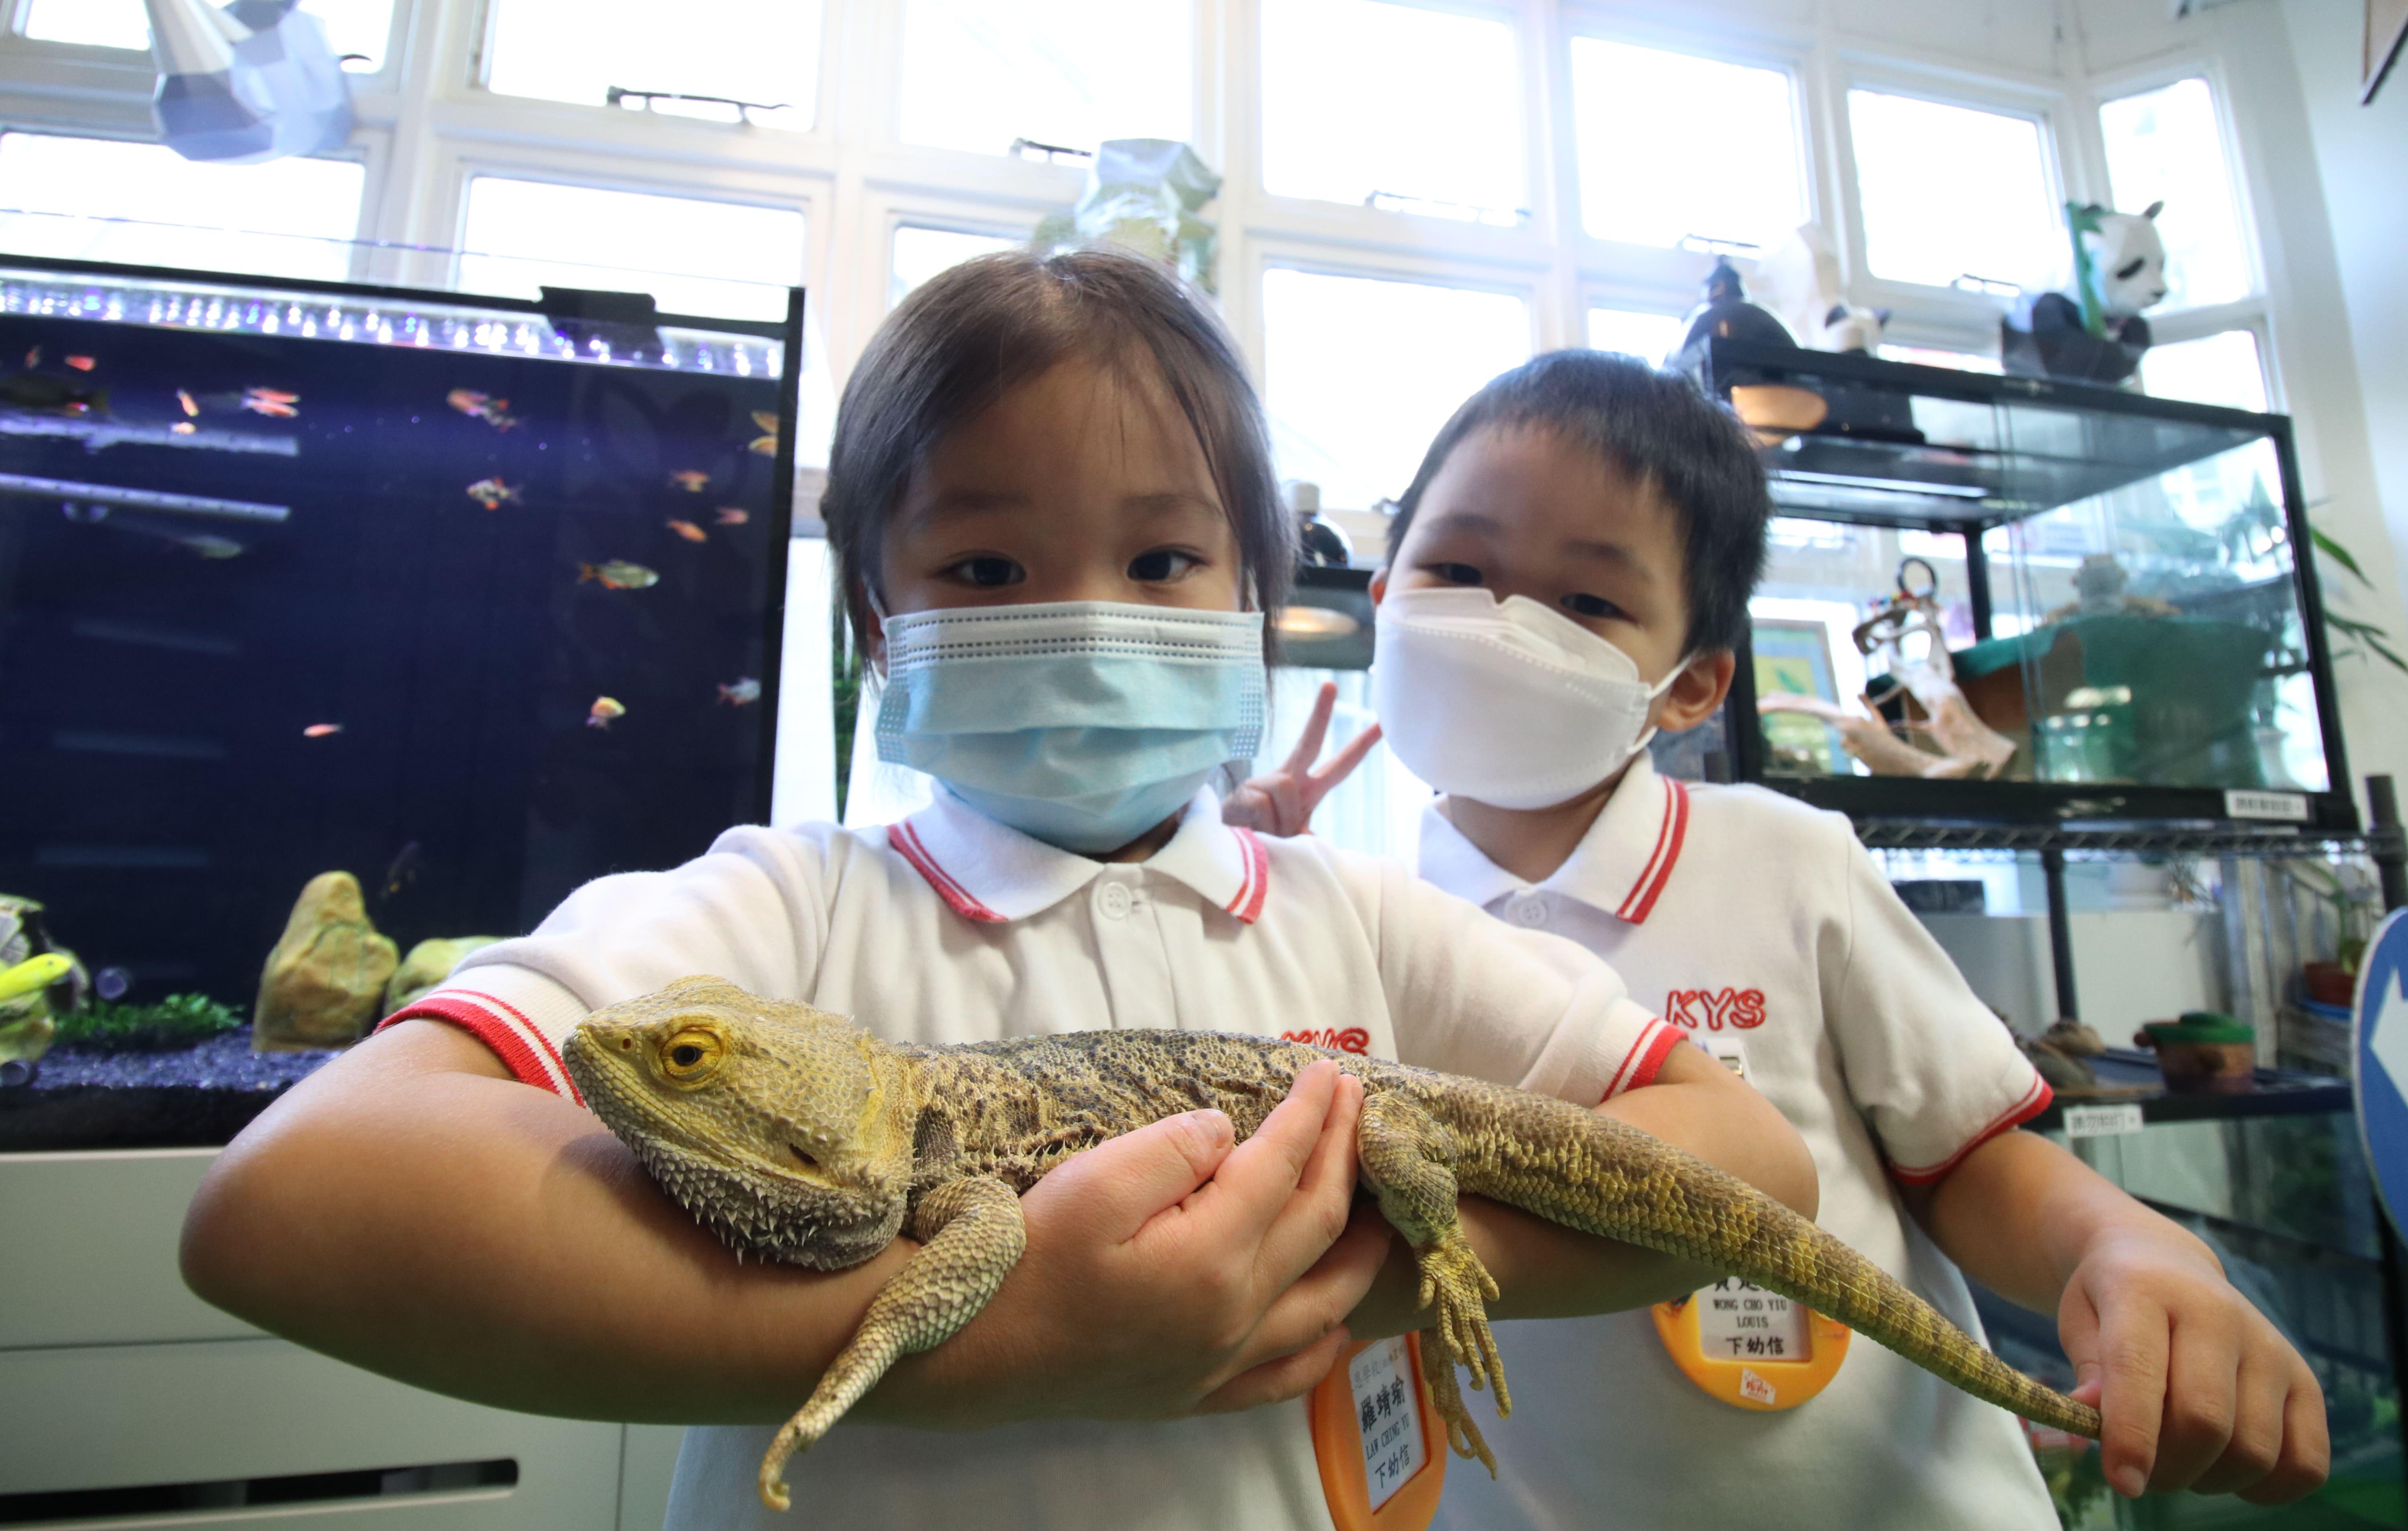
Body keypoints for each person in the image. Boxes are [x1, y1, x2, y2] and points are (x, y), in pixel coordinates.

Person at [179, 256, 1815, 1531]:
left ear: (1262, 602)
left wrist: (1267, 1276)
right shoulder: (785, 915)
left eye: (1167, 560)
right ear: (880, 627)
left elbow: (1745, 1161)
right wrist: (988, 1335)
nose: (1088, 617)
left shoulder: (1360, 916)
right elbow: (290, 1202)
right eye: (982, 568)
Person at [1233, 349, 2329, 1527]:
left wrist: (2122, 1246)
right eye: (1458, 567)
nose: (1506, 624)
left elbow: (1965, 1158)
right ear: (1385, 587)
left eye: (1590, 601)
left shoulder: (1789, 858)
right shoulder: (1350, 920)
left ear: (1696, 687)